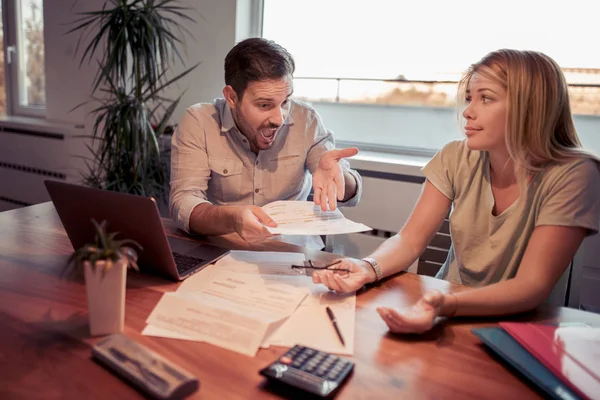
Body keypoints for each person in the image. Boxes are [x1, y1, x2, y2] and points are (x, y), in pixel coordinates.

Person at [312, 49, 600, 333]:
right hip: (446, 311)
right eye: (469, 98)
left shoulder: (574, 174)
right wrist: (367, 267)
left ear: (531, 106)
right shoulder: (454, 156)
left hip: (523, 329)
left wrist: (445, 304)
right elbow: (410, 240)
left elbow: (531, 287)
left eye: (486, 98)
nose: (468, 112)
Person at [169, 38, 362, 246]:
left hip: (295, 254)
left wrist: (340, 178)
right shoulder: (199, 122)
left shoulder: (307, 120)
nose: (279, 119)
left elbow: (350, 193)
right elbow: (183, 202)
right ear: (232, 97)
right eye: (264, 105)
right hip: (223, 253)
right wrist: (232, 219)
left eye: (285, 101)